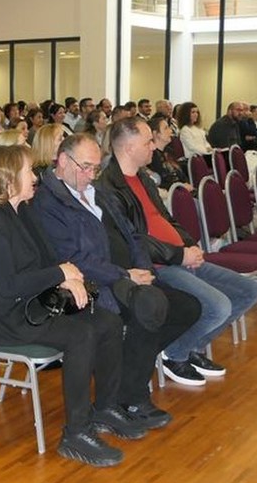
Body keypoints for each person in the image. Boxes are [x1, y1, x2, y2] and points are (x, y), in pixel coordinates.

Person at [0, 144, 136, 467]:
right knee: (80, 334)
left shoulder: (22, 210)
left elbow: (47, 257)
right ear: (8, 177)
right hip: (3, 316)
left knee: (108, 322)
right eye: (29, 171)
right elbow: (9, 286)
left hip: (31, 302)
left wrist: (67, 278)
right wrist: (60, 273)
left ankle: (106, 409)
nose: (35, 178)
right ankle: (76, 433)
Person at [34, 133, 198, 422]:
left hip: (129, 278)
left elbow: (133, 235)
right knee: (149, 309)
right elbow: (74, 258)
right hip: (95, 285)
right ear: (62, 160)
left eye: (95, 167)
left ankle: (125, 368)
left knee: (188, 307)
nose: (90, 174)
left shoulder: (99, 191)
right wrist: (125, 274)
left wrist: (143, 269)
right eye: (85, 166)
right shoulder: (48, 202)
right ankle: (131, 397)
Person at [98, 118, 257, 386]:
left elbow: (167, 219)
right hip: (158, 265)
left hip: (178, 256)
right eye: (147, 141)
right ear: (128, 148)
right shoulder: (109, 188)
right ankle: (175, 355)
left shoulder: (142, 178)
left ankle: (188, 347)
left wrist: (188, 243)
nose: (153, 146)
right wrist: (178, 255)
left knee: (248, 291)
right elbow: (132, 240)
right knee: (219, 306)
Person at [147, 114, 188, 189]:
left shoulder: (169, 152)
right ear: (156, 134)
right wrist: (181, 186)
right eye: (166, 128)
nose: (171, 130)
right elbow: (161, 183)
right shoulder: (152, 157)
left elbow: (180, 174)